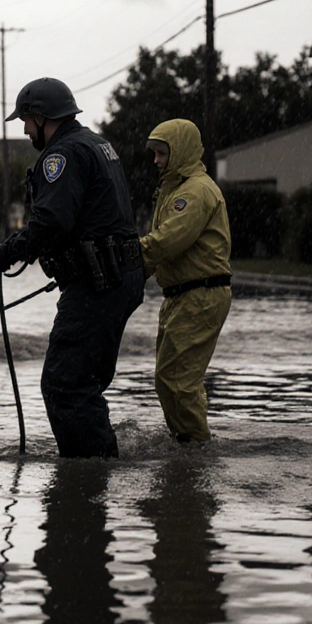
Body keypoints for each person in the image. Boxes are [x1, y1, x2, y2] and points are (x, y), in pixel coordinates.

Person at [0, 77, 146, 458]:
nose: (24, 130)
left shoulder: (63, 155)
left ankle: (87, 483)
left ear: (41, 117)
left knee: (65, 385)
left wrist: (9, 251)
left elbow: (53, 223)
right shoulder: (97, 143)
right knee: (82, 383)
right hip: (117, 278)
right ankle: (94, 474)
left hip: (98, 284)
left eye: (25, 120)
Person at [140, 118, 231, 444]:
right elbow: (160, 250)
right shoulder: (174, 191)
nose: (157, 161)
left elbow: (167, 241)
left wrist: (129, 255)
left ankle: (196, 450)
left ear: (181, 151)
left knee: (177, 380)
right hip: (183, 294)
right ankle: (188, 441)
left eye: (162, 153)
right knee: (170, 380)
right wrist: (136, 270)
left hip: (199, 294)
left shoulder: (194, 192)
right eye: (155, 154)